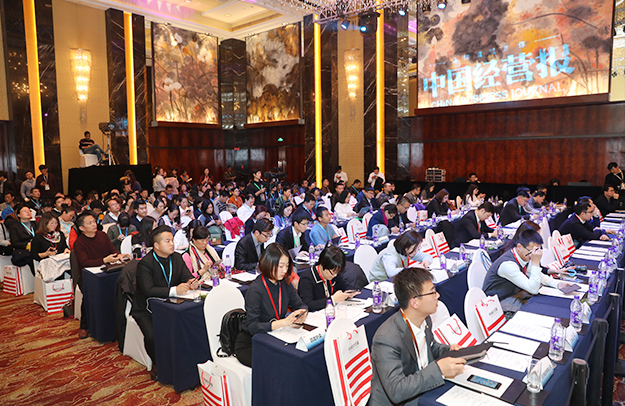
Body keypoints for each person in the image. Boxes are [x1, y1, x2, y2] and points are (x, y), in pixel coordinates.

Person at [370, 267, 465, 406]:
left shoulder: (425, 319)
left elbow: (429, 347)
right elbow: (397, 391)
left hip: (422, 389)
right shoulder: (386, 338)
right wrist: (438, 369)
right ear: (414, 302)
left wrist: (448, 350)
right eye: (432, 292)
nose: (438, 295)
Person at [132, 226, 198, 380]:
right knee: (152, 335)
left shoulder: (177, 258)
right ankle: (157, 362)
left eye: (172, 240)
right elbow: (148, 290)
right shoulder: (146, 263)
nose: (172, 244)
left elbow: (186, 276)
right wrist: (174, 290)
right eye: (167, 241)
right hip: (147, 308)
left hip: (172, 304)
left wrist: (191, 282)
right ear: (156, 245)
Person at [235, 243, 308, 367]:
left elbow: (301, 305)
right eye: (281, 266)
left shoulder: (284, 283)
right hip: (251, 343)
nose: (285, 270)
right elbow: (253, 327)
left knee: (297, 358)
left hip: (275, 336)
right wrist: (283, 323)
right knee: (279, 363)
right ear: (269, 264)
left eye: (287, 265)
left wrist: (301, 314)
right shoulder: (255, 290)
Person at [74, 211, 130, 339]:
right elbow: (85, 263)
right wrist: (104, 260)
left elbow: (112, 250)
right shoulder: (79, 243)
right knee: (88, 297)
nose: (94, 224)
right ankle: (84, 325)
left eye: (94, 221)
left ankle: (116, 324)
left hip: (107, 270)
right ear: (82, 228)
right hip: (88, 276)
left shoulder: (102, 235)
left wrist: (119, 256)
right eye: (90, 223)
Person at [483, 229, 562, 311]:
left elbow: (538, 275)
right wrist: (536, 263)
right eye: (531, 251)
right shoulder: (508, 265)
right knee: (541, 309)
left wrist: (557, 284)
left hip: (514, 294)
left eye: (537, 250)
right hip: (497, 304)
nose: (534, 254)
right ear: (519, 247)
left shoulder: (523, 256)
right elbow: (533, 289)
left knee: (547, 302)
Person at [297, 245, 356, 311]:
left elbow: (346, 286)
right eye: (332, 273)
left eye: (337, 273)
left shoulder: (333, 272)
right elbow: (308, 305)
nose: (335, 275)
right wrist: (333, 299)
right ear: (322, 264)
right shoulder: (307, 278)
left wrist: (349, 293)